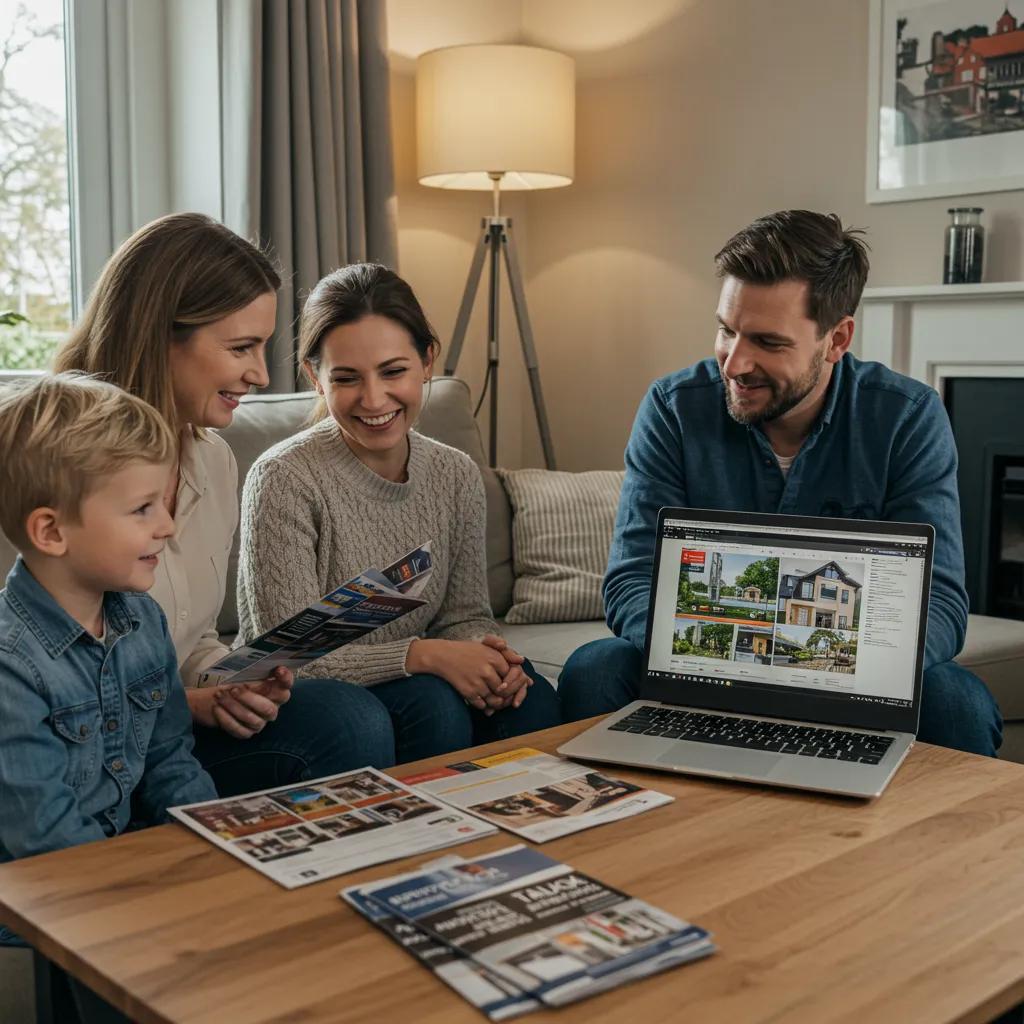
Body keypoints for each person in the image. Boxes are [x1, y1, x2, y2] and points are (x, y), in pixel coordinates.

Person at [558, 209, 1002, 757]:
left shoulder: (907, 417)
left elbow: (941, 603)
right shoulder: (673, 408)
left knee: (957, 700)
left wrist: (809, 669)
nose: (734, 363)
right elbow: (631, 581)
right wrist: (738, 662)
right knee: (596, 668)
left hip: (849, 679)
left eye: (767, 342)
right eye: (726, 330)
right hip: (703, 670)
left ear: (836, 339)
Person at [53, 213, 395, 794]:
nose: (260, 374)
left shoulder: (212, 460)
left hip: (174, 731)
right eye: (241, 347)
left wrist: (233, 682)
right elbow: (40, 675)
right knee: (349, 722)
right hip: (82, 749)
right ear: (159, 332)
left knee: (361, 713)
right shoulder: (47, 466)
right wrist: (185, 706)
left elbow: (193, 638)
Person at [236, 263, 562, 762]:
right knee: (434, 705)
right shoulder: (284, 477)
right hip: (308, 698)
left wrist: (492, 657)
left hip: (410, 682)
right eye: (346, 378)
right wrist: (422, 654)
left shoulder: (454, 474)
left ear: (427, 360)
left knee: (529, 696)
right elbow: (285, 661)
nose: (373, 399)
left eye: (393, 371)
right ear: (315, 378)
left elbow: (464, 616)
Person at [0, 374, 217, 1022]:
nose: (169, 526)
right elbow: (44, 839)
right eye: (143, 509)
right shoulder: (8, 662)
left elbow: (170, 754)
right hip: (37, 889)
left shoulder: (140, 619)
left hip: (112, 863)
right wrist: (150, 892)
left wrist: (212, 842)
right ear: (52, 531)